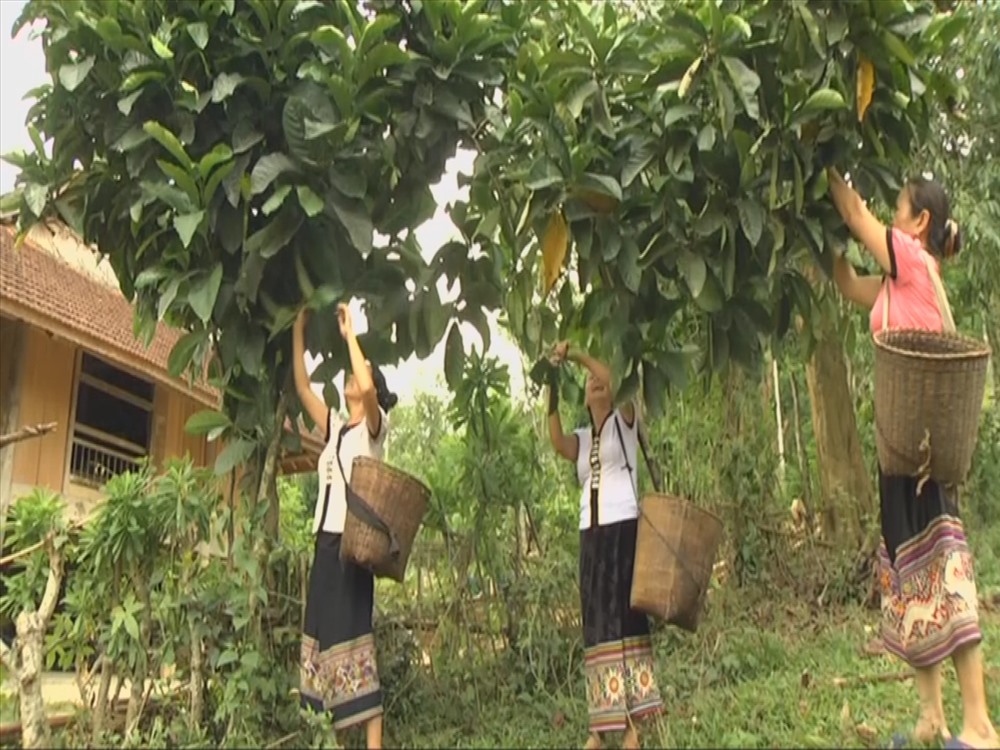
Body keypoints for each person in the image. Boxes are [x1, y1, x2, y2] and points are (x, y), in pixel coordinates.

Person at [825, 169, 999, 750]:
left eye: (896, 210)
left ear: (917, 223)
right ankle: (932, 717)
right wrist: (816, 235)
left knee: (945, 573)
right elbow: (848, 283)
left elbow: (855, 215)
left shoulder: (914, 262)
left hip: (924, 448)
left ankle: (979, 725)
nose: (888, 219)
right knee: (912, 577)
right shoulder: (895, 281)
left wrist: (821, 159)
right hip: (898, 451)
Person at [545, 341, 663, 750]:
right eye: (589, 382)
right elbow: (556, 438)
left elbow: (613, 378)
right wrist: (552, 381)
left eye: (600, 380)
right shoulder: (583, 438)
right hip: (591, 536)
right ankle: (599, 727)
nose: (596, 383)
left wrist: (576, 354)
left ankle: (632, 725)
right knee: (596, 629)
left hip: (622, 530)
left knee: (624, 623)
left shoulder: (624, 421)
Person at [292, 303, 399, 750]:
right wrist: (299, 332)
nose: (352, 378)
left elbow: (370, 389)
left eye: (358, 374)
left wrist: (351, 334)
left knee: (355, 639)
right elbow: (302, 388)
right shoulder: (336, 428)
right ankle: (337, 740)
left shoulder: (373, 429)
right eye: (354, 373)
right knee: (328, 643)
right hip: (325, 544)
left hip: (352, 547)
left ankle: (374, 742)